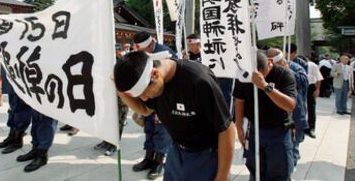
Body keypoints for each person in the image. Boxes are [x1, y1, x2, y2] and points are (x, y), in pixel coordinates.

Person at [114, 50, 235, 181]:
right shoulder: (151, 83)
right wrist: (121, 92)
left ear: (155, 74)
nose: (144, 98)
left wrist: (222, 175)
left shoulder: (198, 80)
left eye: (144, 93)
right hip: (176, 152)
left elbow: (227, 128)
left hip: (206, 156)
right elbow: (145, 109)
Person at [234, 51, 297, 181]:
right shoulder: (244, 75)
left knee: (279, 173)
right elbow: (239, 101)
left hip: (278, 131)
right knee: (256, 172)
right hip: (254, 130)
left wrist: (265, 86)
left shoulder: (284, 75)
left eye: (262, 74)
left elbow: (290, 105)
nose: (255, 80)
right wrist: (239, 127)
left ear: (269, 62)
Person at [130, 31, 176, 179]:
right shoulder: (141, 53)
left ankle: (159, 162)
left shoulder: (165, 53)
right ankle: (149, 158)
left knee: (162, 133)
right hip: (148, 99)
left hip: (164, 99)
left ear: (150, 44)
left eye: (143, 50)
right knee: (149, 129)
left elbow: (173, 79)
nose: (141, 53)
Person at [266, 48, 308, 167]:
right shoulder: (267, 70)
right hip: (276, 115)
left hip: (295, 110)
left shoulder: (294, 67)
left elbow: (304, 82)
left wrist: (287, 71)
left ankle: (291, 164)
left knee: (295, 140)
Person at [0, 66, 32, 154]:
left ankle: (18, 139)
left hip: (20, 74)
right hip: (10, 73)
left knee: (21, 109)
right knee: (12, 108)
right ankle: (12, 136)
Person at [301, 56, 323, 138]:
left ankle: (311, 128)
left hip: (310, 87)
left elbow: (319, 78)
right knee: (300, 107)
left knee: (311, 107)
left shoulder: (313, 65)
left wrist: (317, 90)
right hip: (298, 87)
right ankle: (301, 126)